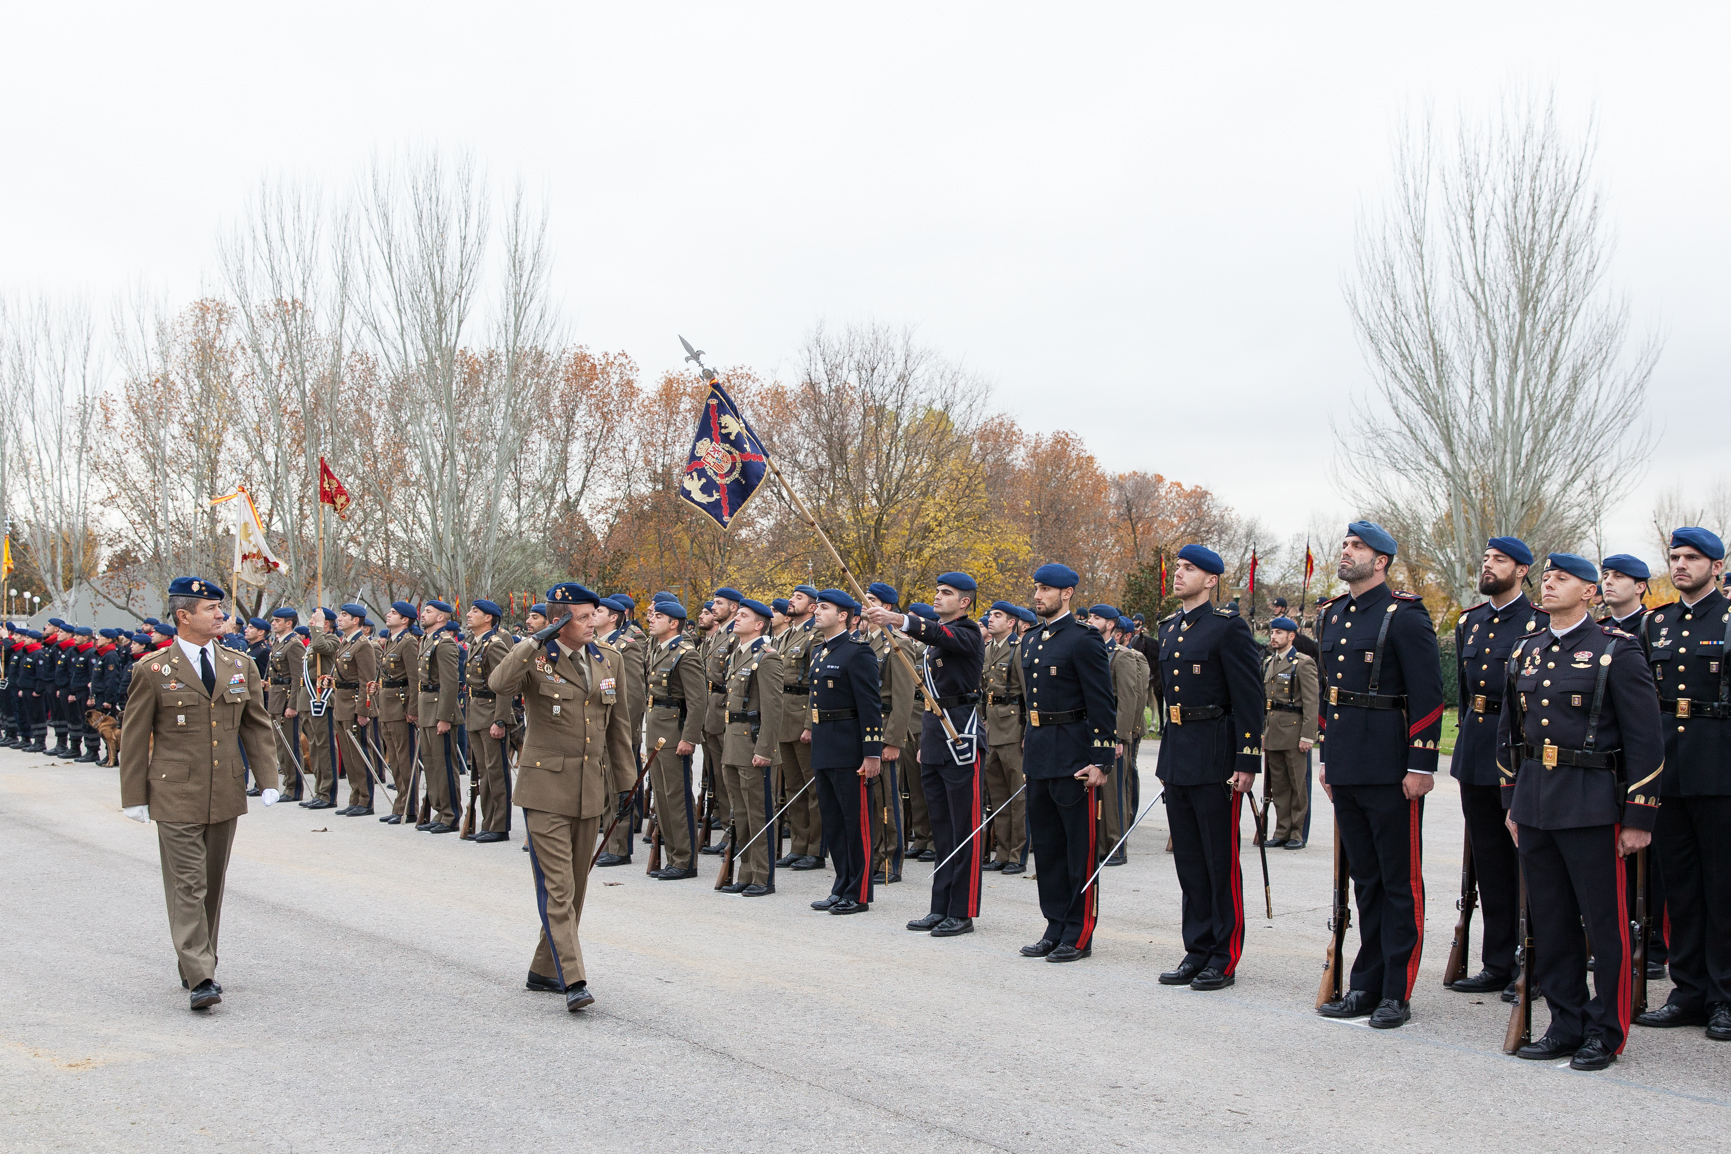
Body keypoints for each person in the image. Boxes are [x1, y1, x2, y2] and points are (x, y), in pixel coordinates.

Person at [1497, 553, 1662, 1069]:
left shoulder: (1616, 650)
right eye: (1546, 578)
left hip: (1591, 802)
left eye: (1562, 579)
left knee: (1605, 925)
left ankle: (1605, 1031)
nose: (1548, 584)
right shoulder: (1526, 650)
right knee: (1551, 920)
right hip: (1535, 800)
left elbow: (1646, 740)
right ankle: (1564, 1024)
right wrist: (1511, 800)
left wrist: (1639, 817)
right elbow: (1509, 733)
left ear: (1590, 592)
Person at [119, 577, 278, 1010]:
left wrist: (268, 778)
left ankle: (194, 960)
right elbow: (134, 736)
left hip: (225, 789)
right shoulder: (152, 670)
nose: (221, 615)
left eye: (220, 608)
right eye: (211, 609)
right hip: (174, 793)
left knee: (211, 883)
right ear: (184, 616)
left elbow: (256, 725)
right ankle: (202, 975)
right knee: (188, 883)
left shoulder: (240, 665)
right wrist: (133, 795)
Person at [1313, 522, 1445, 1029]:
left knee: (1398, 882)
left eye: (1357, 547)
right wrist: (1328, 758)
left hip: (1390, 765)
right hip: (1347, 763)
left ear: (1382, 560)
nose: (1346, 552)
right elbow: (1329, 694)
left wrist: (1421, 764)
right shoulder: (1332, 614)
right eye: (1345, 544)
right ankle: (1365, 985)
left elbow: (1429, 695)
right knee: (1364, 880)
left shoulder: (1404, 615)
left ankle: (1396, 990)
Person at [489, 582, 635, 1012]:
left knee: (576, 886)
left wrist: (626, 784)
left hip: (590, 788)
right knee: (558, 887)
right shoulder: (536, 657)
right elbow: (499, 683)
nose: (593, 623)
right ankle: (573, 979)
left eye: (594, 615)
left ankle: (543, 969)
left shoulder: (609, 659)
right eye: (584, 617)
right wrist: (534, 640)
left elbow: (619, 727)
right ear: (559, 621)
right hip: (545, 789)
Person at [1152, 546, 1264, 991]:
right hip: (1178, 754)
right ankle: (1196, 950)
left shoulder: (1228, 627)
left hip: (1216, 756)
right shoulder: (1168, 629)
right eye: (1178, 567)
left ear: (1211, 580)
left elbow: (1249, 698)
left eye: (1189, 569)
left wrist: (1247, 759)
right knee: (1190, 862)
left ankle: (1224, 954)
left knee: (1220, 861)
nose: (1179, 574)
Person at [1635, 527, 1731, 1042]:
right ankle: (1688, 992)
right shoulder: (1657, 623)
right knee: (1682, 890)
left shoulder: (1728, 618)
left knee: (1722, 889)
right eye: (1675, 557)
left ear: (1717, 566)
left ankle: (1724, 997)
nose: (1681, 565)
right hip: (1669, 771)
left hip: (1719, 770)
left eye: (1692, 557)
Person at [1448, 537, 1547, 998]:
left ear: (1522, 570)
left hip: (1519, 752)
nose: (1488, 565)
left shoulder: (1538, 622)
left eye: (1499, 560)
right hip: (1476, 749)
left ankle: (1536, 963)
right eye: (1486, 558)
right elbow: (1466, 694)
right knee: (1488, 861)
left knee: (1529, 862)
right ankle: (1497, 961)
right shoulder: (1470, 622)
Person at [866, 572, 987, 937]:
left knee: (964, 829)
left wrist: (896, 618)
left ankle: (962, 911)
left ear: (964, 602)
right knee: (942, 829)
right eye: (937, 591)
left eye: (946, 593)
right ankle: (940, 906)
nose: (937, 596)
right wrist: (927, 745)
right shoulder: (939, 637)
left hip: (961, 737)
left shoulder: (967, 632)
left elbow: (938, 634)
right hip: (936, 736)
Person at [1016, 563, 1116, 962]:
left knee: (1079, 850)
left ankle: (1078, 932)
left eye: (1045, 589)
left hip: (1073, 754)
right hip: (1041, 753)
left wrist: (1101, 759)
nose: (1037, 595)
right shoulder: (1032, 639)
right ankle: (1054, 925)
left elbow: (1102, 702)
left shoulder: (1083, 639)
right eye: (1037, 588)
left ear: (1067, 593)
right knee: (1047, 849)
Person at [1599, 554, 1666, 977]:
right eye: (1605, 575)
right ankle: (1618, 935)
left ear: (1640, 586)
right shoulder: (1599, 630)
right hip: (1609, 756)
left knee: (1650, 855)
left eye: (1619, 576)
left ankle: (1653, 944)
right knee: (1613, 852)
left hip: (1643, 751)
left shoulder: (1653, 627)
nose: (1609, 582)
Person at [803, 589, 883, 915]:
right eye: (817, 607)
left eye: (824, 607)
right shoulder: (820, 652)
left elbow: (870, 706)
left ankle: (858, 892)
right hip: (825, 744)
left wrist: (872, 753)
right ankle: (841, 886)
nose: (816, 611)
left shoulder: (857, 653)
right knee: (834, 822)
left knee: (855, 822)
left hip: (850, 748)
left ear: (843, 616)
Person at [716, 599, 781, 896]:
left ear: (759, 625)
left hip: (753, 742)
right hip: (733, 741)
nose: (736, 618)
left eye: (743, 615)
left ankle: (762, 876)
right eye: (737, 614)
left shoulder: (767, 658)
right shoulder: (737, 654)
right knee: (739, 812)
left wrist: (765, 749)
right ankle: (745, 872)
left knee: (758, 812)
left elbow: (773, 709)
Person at [644, 599, 705, 880]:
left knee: (677, 797)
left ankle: (685, 860)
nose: (651, 619)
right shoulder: (658, 649)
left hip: (674, 732)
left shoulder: (685, 654)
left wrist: (689, 738)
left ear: (673, 623)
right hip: (657, 729)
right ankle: (672, 857)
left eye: (658, 616)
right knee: (662, 797)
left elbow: (697, 700)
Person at [861, 582, 917, 880]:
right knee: (868, 798)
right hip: (863, 728)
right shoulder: (861, 641)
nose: (864, 603)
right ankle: (871, 855)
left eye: (870, 599)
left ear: (887, 608)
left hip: (884, 729)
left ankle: (889, 861)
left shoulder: (897, 644)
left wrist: (894, 740)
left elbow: (904, 697)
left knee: (886, 799)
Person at [1083, 606, 1144, 868]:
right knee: (1093, 789)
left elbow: (1129, 699)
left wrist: (1119, 738)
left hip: (1113, 732)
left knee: (1114, 792)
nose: (1090, 621)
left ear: (1110, 625)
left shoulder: (1121, 656)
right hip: (1090, 729)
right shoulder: (1088, 650)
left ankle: (1116, 847)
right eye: (1090, 617)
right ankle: (1097, 845)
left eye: (1096, 618)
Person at [773, 585, 824, 871]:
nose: (791, 601)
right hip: (784, 716)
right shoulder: (787, 635)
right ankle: (798, 845)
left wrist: (809, 724)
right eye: (792, 596)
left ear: (813, 607)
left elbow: (817, 683)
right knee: (793, 787)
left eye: (799, 598)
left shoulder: (815, 635)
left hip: (802, 715)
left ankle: (815, 849)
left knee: (812, 787)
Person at [594, 596, 647, 864]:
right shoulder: (594, 644)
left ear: (613, 617)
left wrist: (625, 730)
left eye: (599, 611)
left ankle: (619, 847)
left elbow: (634, 695)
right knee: (604, 788)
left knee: (618, 786)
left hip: (617, 728)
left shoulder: (627, 646)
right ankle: (608, 841)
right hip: (598, 725)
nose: (593, 615)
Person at [981, 601, 1029, 873]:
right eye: (990, 615)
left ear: (1011, 623)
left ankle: (1016, 854)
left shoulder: (1019, 649)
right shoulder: (989, 648)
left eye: (997, 616)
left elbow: (1029, 693)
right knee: (998, 795)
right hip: (992, 727)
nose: (991, 619)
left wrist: (1028, 731)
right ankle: (1001, 852)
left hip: (1013, 727)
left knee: (1018, 796)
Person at [1261, 615, 1318, 848]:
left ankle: (1297, 833)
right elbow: (1266, 702)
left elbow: (1312, 702)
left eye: (1279, 633)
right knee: (1279, 786)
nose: (1273, 637)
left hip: (1294, 733)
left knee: (1298, 785)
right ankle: (1282, 831)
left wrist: (1308, 735)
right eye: (1272, 632)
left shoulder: (1303, 663)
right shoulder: (1269, 662)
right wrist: (1263, 732)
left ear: (1291, 636)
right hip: (1274, 732)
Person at [463, 599, 515, 843]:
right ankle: (488, 822)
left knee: (495, 771)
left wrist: (501, 720)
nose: (468, 614)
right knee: (483, 771)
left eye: (475, 611)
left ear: (488, 618)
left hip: (490, 713)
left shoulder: (494, 645)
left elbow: (505, 684)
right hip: (476, 712)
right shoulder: (477, 643)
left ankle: (499, 825)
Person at [415, 600, 463, 833]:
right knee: (431, 764)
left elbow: (450, 683)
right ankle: (439, 810)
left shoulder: (444, 643)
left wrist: (445, 717)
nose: (423, 615)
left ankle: (451, 814)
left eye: (428, 612)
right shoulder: (426, 641)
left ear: (441, 617)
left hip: (438, 709)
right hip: (426, 707)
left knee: (444, 764)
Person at [700, 589, 741, 852]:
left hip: (726, 707)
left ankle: (735, 832)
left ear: (733, 608)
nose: (713, 607)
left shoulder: (735, 636)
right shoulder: (716, 636)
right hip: (711, 709)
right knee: (719, 775)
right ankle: (727, 830)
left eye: (719, 603)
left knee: (730, 778)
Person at [332, 603, 380, 816]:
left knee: (360, 754)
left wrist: (363, 710)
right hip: (341, 703)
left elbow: (367, 681)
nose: (339, 618)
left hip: (354, 704)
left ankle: (366, 801)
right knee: (349, 755)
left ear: (355, 620)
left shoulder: (363, 645)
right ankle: (355, 797)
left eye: (344, 615)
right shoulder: (346, 643)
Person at [376, 602, 419, 824]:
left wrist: (412, 709)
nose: (388, 615)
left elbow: (414, 678)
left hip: (401, 707)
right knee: (394, 759)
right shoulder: (392, 641)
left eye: (394, 613)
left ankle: (409, 808)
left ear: (405, 620)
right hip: (387, 705)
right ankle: (399, 805)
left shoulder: (408, 642)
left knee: (405, 759)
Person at [266, 608, 306, 802]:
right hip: (276, 698)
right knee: (281, 746)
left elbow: (298, 678)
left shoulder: (294, 645)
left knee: (290, 745)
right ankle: (288, 785)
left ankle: (294, 788)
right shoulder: (279, 642)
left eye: (277, 620)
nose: (273, 623)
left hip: (286, 699)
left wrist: (293, 705)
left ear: (289, 623)